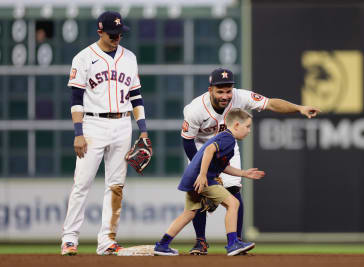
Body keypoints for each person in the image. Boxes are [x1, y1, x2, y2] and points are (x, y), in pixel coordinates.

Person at [181, 68, 320, 255]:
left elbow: (270, 104)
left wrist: (299, 108)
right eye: (220, 91)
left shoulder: (240, 97)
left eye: (228, 90)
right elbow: (187, 141)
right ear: (210, 90)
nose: (225, 95)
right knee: (199, 190)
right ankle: (200, 243)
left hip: (226, 143)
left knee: (234, 188)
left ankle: (236, 242)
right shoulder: (195, 109)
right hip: (200, 146)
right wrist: (205, 173)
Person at [61, 11, 151, 256]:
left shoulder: (129, 58)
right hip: (93, 124)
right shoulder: (83, 58)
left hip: (123, 124)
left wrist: (143, 131)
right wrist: (78, 133)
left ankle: (107, 241)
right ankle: (69, 239)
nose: (117, 37)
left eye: (120, 33)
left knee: (116, 186)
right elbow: (76, 99)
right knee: (82, 183)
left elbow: (136, 96)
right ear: (100, 31)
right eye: (112, 34)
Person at [154, 108, 265, 256]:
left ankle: (162, 244)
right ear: (237, 125)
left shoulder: (225, 138)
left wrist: (243, 173)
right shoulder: (228, 138)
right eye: (247, 126)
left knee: (189, 213)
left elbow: (223, 166)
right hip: (201, 179)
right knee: (234, 203)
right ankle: (233, 243)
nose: (249, 130)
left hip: (192, 178)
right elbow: (209, 150)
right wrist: (203, 175)